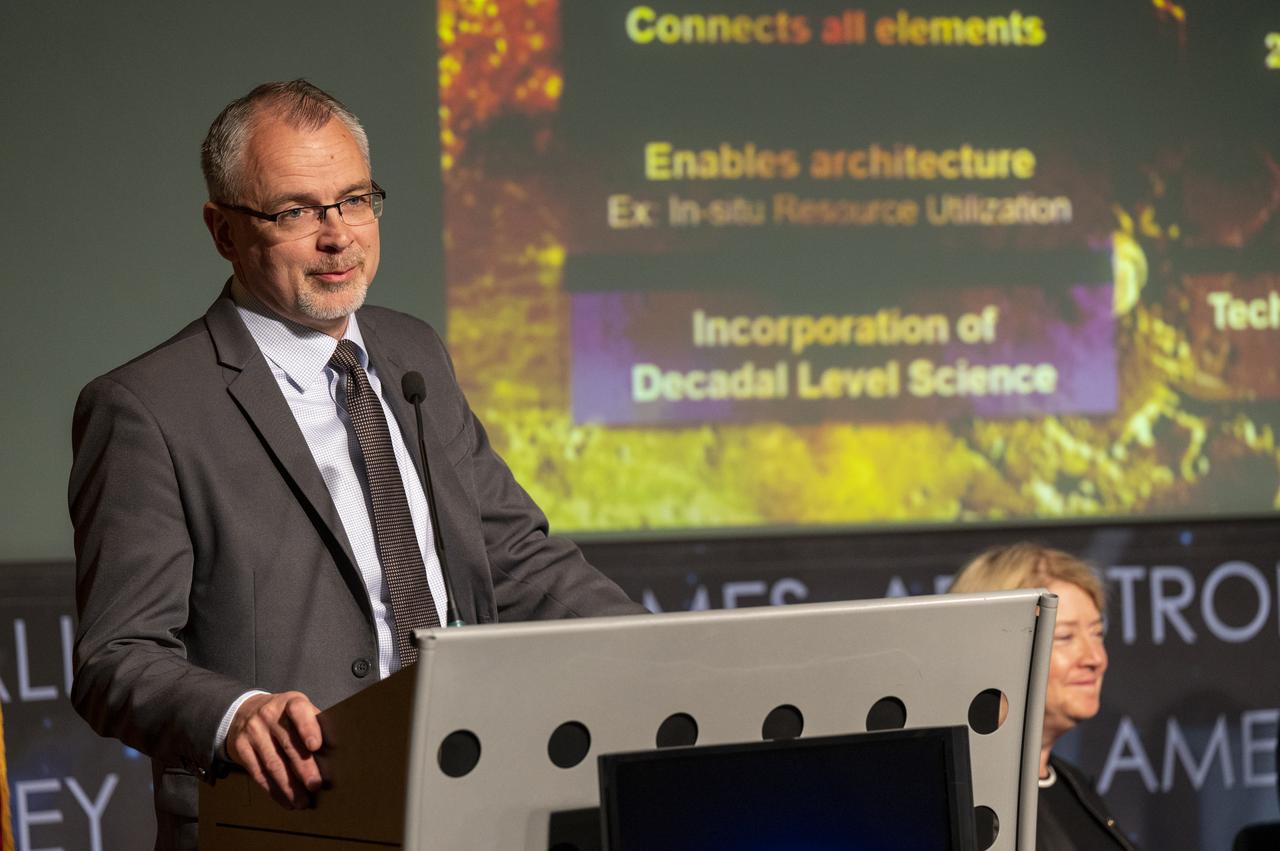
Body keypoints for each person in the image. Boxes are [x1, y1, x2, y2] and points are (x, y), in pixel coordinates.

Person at [68, 80, 645, 850]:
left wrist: (661, 657)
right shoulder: (147, 407)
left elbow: (514, 557)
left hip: (469, 799)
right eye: (296, 211)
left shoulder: (413, 355)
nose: (337, 235)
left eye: (354, 200)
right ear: (224, 231)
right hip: (283, 821)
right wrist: (237, 713)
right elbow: (117, 656)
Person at [949, 543, 1140, 851]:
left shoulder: (1071, 784)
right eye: (1065, 637)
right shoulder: (965, 805)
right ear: (993, 647)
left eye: (1097, 633)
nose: (1095, 658)